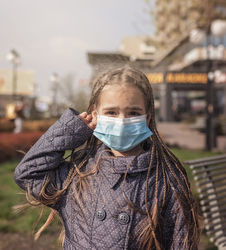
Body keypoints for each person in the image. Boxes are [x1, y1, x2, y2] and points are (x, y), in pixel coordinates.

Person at [14, 66, 201, 249]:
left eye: (133, 113)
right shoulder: (80, 173)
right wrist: (73, 129)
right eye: (111, 112)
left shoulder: (166, 180)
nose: (121, 121)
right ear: (95, 116)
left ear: (148, 117)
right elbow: (28, 174)